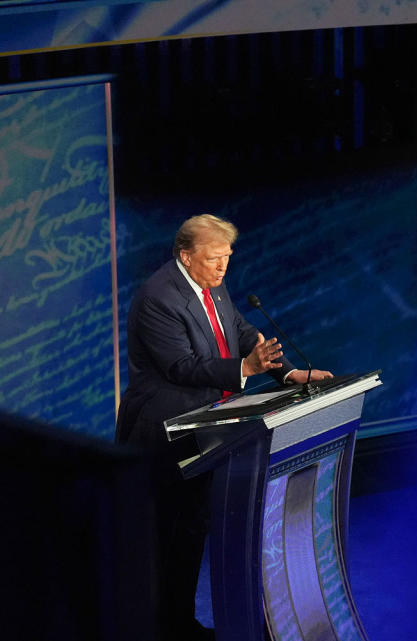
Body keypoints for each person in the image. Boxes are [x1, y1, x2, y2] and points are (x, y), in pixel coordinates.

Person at [116, 214, 331, 641]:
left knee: (192, 529)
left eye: (227, 259)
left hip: (211, 426)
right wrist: (244, 369)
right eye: (215, 259)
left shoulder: (212, 283)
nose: (222, 268)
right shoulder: (159, 297)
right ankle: (159, 627)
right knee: (168, 535)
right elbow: (182, 366)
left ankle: (179, 624)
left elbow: (240, 329)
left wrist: (287, 375)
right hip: (168, 432)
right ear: (185, 256)